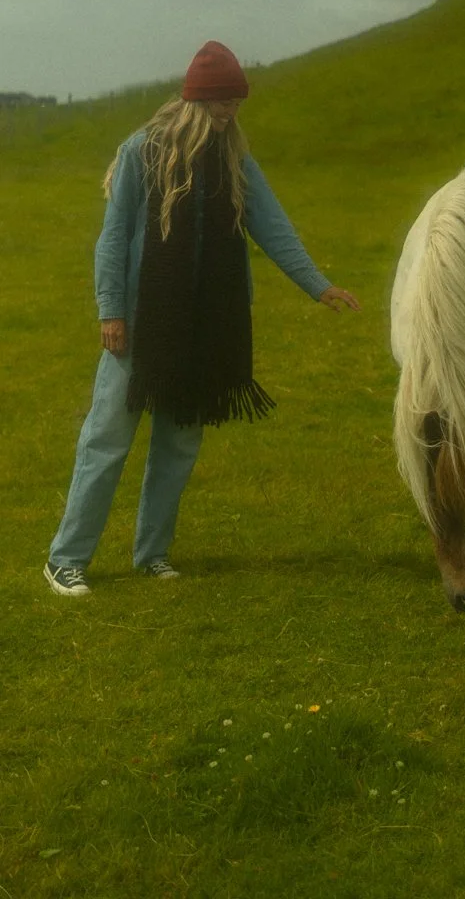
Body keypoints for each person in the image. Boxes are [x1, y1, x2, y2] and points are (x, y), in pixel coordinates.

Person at [44, 40, 359, 596]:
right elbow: (113, 237)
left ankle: (153, 553)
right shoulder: (143, 151)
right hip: (141, 323)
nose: (228, 112)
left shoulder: (234, 160)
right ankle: (66, 559)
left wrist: (318, 285)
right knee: (107, 441)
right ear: (195, 99)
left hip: (203, 324)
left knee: (180, 442)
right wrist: (110, 310)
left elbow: (273, 226)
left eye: (236, 102)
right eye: (220, 101)